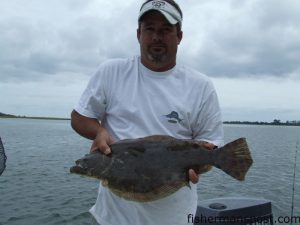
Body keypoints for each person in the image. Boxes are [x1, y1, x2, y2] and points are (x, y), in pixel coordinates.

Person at [71, 0, 224, 224]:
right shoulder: (111, 72)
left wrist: (202, 161)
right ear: (138, 34)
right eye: (149, 29)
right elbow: (79, 117)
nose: (156, 37)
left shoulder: (201, 86)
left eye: (165, 30)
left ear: (179, 36)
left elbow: (212, 142)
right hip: (112, 218)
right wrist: (99, 131)